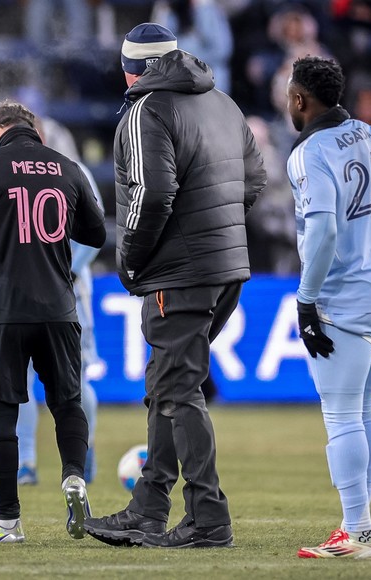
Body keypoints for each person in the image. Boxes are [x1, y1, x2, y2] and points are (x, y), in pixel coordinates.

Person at [82, 23, 266, 549]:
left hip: (179, 272)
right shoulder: (223, 102)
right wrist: (217, 231)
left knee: (177, 388)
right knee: (167, 384)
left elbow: (150, 193)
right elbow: (254, 179)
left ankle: (208, 517)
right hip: (227, 267)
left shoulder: (145, 110)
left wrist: (131, 262)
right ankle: (149, 506)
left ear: (129, 68)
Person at [0, 100, 106, 543]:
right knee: (67, 403)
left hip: (3, 310)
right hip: (58, 307)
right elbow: (96, 233)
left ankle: (8, 523)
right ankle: (74, 476)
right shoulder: (68, 167)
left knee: (1, 418)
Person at [285, 55, 371, 559]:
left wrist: (306, 298)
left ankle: (359, 532)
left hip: (344, 299)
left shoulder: (308, 154)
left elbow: (322, 229)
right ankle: (355, 524)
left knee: (341, 416)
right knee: (365, 411)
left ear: (300, 99)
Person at [17, 132, 103, 486]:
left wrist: (65, 270)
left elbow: (95, 235)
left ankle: (85, 448)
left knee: (75, 380)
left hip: (69, 294)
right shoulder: (7, 172)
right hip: (21, 293)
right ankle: (26, 462)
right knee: (19, 381)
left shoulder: (74, 170)